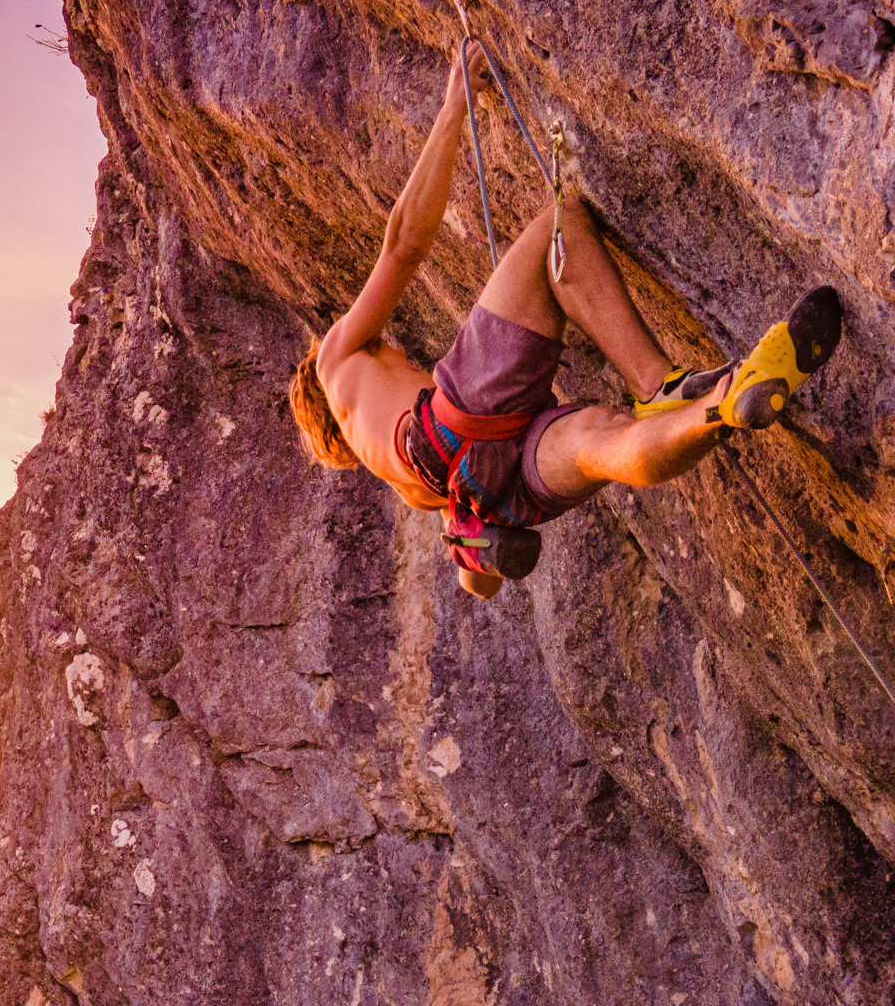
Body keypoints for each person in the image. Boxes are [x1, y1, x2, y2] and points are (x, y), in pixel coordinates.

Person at [289, 41, 842, 597]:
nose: (399, 352)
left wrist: (474, 547)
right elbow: (403, 245)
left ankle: (720, 407)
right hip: (459, 416)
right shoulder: (334, 361)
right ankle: (659, 385)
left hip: (487, 491)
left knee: (601, 443)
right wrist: (454, 102)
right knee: (560, 227)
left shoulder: (408, 484)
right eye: (387, 347)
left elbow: (479, 587)